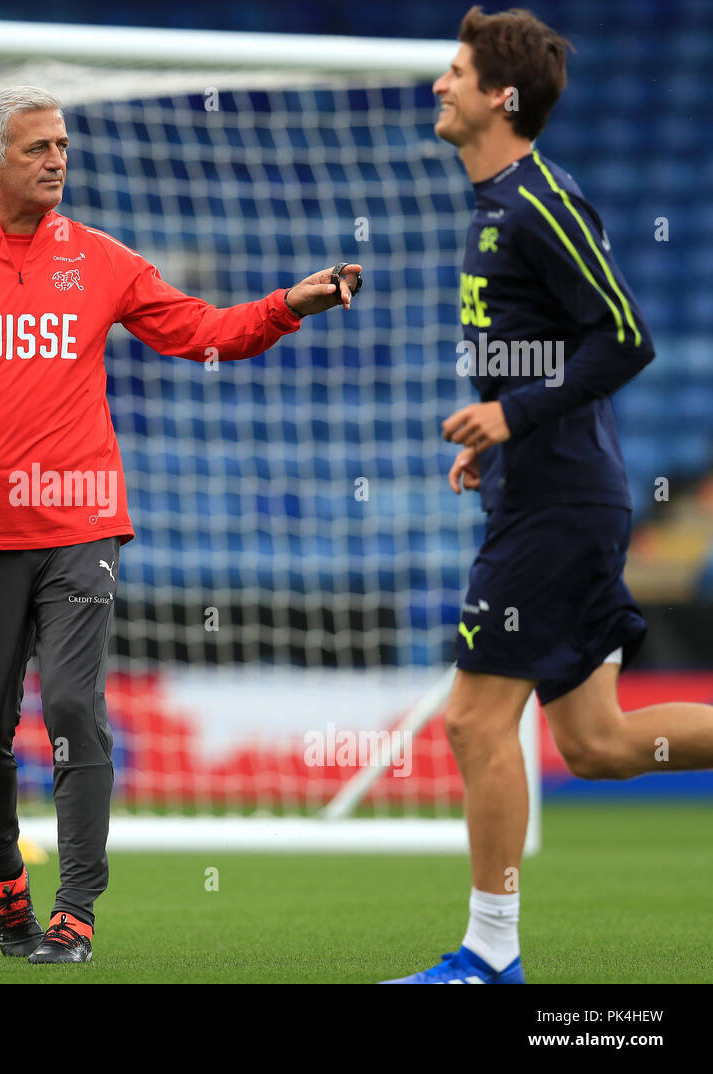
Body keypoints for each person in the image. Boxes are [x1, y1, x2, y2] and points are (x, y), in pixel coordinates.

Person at [0, 85, 361, 963]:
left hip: (83, 521)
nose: (57, 159)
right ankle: (8, 889)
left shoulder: (100, 260)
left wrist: (288, 303)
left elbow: (202, 331)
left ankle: (75, 913)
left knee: (72, 708)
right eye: (37, 148)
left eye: (62, 144)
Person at [384, 7, 713, 984]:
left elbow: (625, 336)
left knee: (474, 722)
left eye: (455, 72)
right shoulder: (494, 206)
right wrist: (498, 435)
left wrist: (516, 420)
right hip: (542, 488)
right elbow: (548, 353)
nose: (438, 85)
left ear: (500, 97)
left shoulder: (540, 201)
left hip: (559, 505)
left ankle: (489, 957)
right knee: (600, 744)